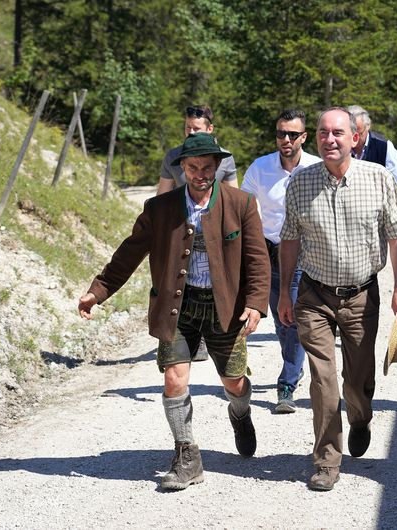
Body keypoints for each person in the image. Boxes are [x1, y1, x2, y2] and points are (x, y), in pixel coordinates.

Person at [79, 133, 270, 491]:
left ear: (217, 167)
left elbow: (258, 260)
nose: (200, 174)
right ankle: (187, 457)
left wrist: (256, 304)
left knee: (234, 380)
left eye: (207, 168)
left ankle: (240, 413)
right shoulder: (160, 209)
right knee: (173, 379)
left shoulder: (242, 203)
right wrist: (98, 290)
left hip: (224, 307)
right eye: (193, 167)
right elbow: (129, 252)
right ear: (182, 167)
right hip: (177, 307)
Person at [278, 107, 397, 491]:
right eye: (322, 132)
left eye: (337, 132)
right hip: (314, 294)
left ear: (355, 138)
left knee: (357, 381)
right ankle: (326, 461)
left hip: (360, 296)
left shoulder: (379, 179)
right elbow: (290, 239)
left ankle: (360, 416)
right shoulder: (300, 183)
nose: (329, 139)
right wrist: (285, 292)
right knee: (323, 381)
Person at [241, 109, 321, 414]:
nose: (285, 140)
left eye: (292, 134)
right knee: (281, 318)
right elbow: (243, 211)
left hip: (305, 253)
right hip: (269, 252)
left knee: (297, 316)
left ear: (303, 137)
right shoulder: (260, 168)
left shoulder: (317, 167)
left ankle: (286, 383)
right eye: (280, 133)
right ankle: (296, 365)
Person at [157, 105, 239, 194]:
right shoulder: (173, 156)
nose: (191, 133)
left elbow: (234, 197)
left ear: (210, 129)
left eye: (196, 128)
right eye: (188, 127)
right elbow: (161, 197)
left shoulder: (225, 158)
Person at [346, 105, 397, 197]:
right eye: (350, 133)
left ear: (368, 126)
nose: (355, 138)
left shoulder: (384, 146)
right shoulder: (341, 145)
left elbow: (396, 181)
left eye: (358, 133)